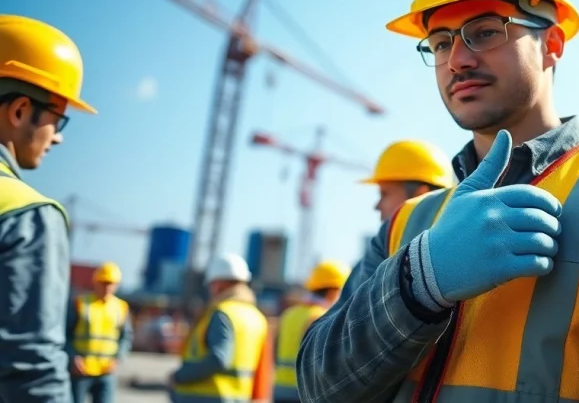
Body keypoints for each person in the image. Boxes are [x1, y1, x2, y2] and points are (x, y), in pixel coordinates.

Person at [296, 0, 579, 402]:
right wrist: (419, 282)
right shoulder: (405, 224)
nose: (457, 60)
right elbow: (318, 388)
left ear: (552, 43)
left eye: (486, 32)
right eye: (440, 42)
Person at [0, 14, 97, 403]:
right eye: (58, 122)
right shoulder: (27, 212)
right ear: (20, 110)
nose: (57, 138)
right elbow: (31, 370)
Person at [338, 139, 454, 302]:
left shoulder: (377, 261)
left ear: (421, 196)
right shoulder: (456, 251)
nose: (377, 206)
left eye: (384, 194)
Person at [170, 253, 269, 403]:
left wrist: (180, 376)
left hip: (206, 397)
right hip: (238, 397)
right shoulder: (257, 317)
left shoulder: (222, 313)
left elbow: (219, 359)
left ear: (218, 284)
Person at [272, 260, 349, 403]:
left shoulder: (290, 314)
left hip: (280, 390)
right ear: (332, 292)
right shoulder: (322, 316)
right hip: (305, 392)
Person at [67, 262, 133, 403]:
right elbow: (66, 334)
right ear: (96, 282)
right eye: (104, 283)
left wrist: (118, 358)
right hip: (81, 369)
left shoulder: (121, 307)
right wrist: (73, 357)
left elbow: (126, 337)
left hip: (106, 370)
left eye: (111, 283)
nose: (107, 287)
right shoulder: (80, 303)